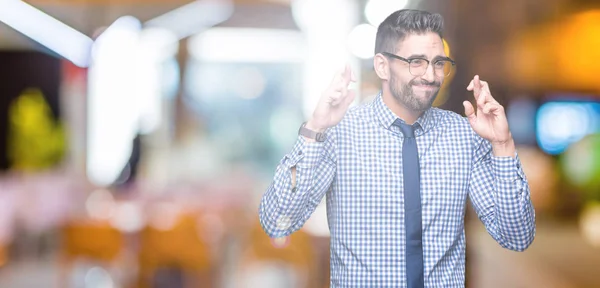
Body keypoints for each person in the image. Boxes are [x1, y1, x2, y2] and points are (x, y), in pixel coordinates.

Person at [258, 9, 535, 288]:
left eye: (439, 63)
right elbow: (278, 222)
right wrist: (315, 129)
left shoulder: (464, 134)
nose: (431, 75)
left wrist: (503, 144)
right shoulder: (340, 132)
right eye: (416, 61)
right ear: (382, 66)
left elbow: (517, 237)